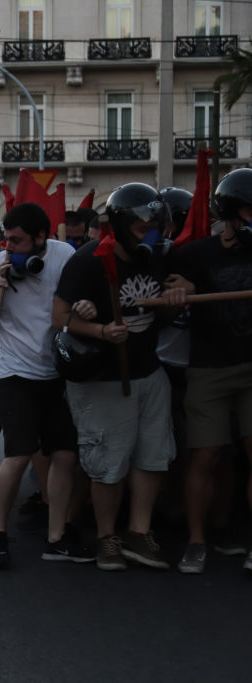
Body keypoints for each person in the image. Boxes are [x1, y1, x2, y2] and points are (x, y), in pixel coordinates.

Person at [54, 183, 188, 572]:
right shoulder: (87, 261)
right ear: (122, 223)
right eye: (141, 223)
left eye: (155, 222)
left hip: (148, 372)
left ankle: (138, 532)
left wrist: (183, 291)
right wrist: (99, 331)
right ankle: (106, 536)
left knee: (153, 456)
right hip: (103, 380)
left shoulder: (162, 256)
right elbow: (59, 317)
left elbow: (175, 293)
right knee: (108, 462)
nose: (150, 230)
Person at [0, 202, 91, 566]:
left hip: (54, 372)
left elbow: (75, 300)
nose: (10, 247)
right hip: (14, 373)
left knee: (66, 455)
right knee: (18, 454)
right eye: (6, 239)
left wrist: (84, 306)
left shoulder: (64, 255)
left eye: (18, 241)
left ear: (42, 237)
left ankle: (56, 539)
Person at [176, 168, 252, 575]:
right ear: (228, 212)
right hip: (209, 370)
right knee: (205, 456)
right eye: (249, 210)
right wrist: (180, 291)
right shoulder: (196, 254)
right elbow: (175, 283)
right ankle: (196, 541)